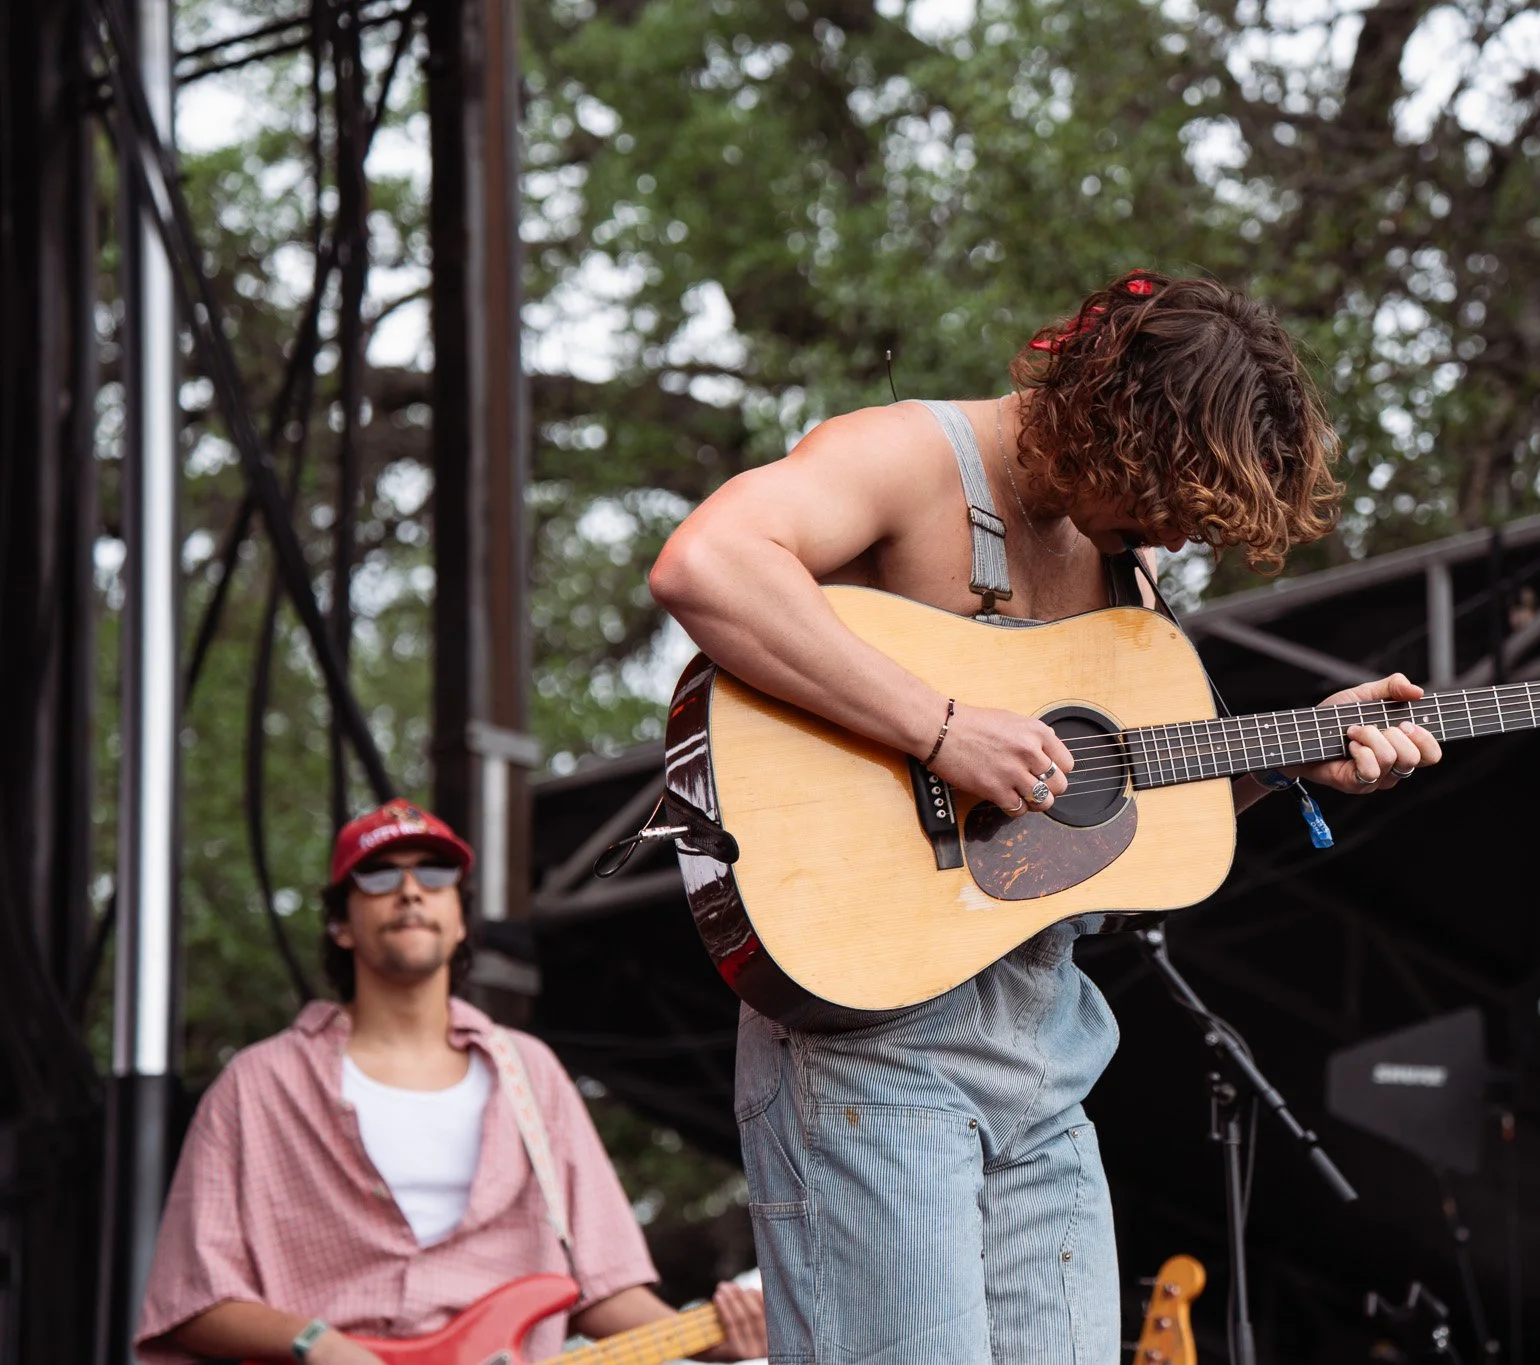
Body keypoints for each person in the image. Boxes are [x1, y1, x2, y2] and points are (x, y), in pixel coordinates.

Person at [647, 269, 1443, 1362]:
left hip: (1045, 1062)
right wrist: (940, 727)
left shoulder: (1128, 562)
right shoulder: (911, 457)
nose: (1171, 530)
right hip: (873, 1048)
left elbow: (1105, 811)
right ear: (1110, 419)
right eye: (1164, 496)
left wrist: (1302, 751)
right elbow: (707, 563)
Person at [135, 798, 768, 1365]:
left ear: (460, 919)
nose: (410, 890)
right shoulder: (258, 1084)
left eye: (434, 875)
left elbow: (600, 1286)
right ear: (340, 924)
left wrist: (713, 1337)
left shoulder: (530, 1075)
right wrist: (316, 1343)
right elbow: (190, 1299)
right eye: (379, 876)